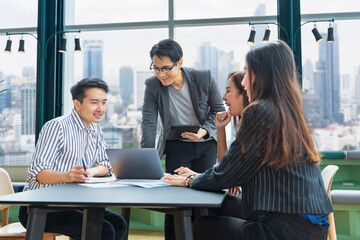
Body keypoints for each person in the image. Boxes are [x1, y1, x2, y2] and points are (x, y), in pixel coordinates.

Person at [162, 40, 333, 240]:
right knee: (217, 206)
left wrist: (191, 180)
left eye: (246, 72)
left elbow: (229, 173)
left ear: (262, 76)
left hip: (284, 229)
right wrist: (199, 177)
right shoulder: (289, 113)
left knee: (202, 225)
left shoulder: (260, 111)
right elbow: (234, 168)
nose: (243, 82)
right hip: (307, 226)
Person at [18, 78, 127, 240]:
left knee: (119, 224)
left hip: (72, 203)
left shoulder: (96, 129)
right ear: (77, 104)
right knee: (104, 230)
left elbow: (106, 164)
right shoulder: (56, 127)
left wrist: (91, 172)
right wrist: (67, 176)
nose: (101, 108)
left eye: (104, 103)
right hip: (42, 206)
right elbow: (37, 172)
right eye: (94, 102)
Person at [141, 39, 224, 240]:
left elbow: (218, 110)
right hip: (176, 144)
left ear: (179, 63)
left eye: (166, 68)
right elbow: (149, 122)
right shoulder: (153, 85)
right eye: (156, 68)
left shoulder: (203, 78)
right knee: (175, 201)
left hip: (205, 143)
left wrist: (203, 132)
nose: (161, 74)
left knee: (205, 198)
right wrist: (146, 158)